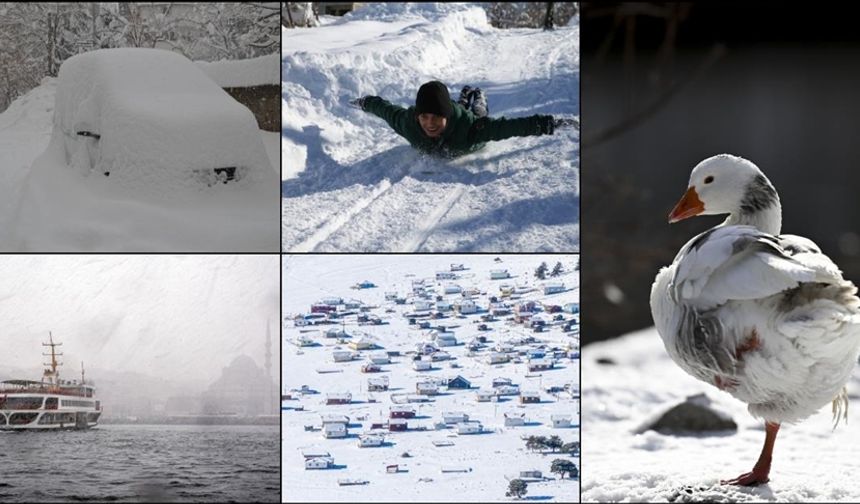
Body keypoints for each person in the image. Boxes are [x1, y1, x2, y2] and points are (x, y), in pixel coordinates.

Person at [349, 80, 577, 158]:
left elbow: (510, 127)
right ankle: (463, 97)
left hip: (468, 121)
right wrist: (364, 102)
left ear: (444, 116)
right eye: (424, 117)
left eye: (436, 118)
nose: (429, 123)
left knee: (478, 110)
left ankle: (477, 96)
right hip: (453, 113)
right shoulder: (409, 123)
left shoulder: (472, 129)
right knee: (456, 107)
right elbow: (385, 109)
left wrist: (551, 123)